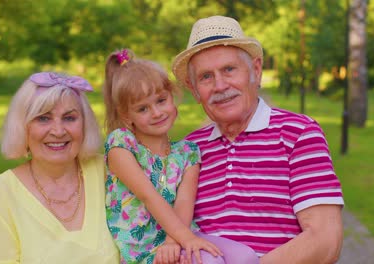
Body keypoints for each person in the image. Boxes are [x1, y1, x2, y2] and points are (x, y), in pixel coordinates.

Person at [171, 15, 345, 263]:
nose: (220, 85)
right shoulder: (188, 150)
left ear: (255, 69)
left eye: (229, 69)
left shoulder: (299, 133)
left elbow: (325, 239)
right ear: (195, 89)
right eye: (206, 77)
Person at [103, 49, 259, 264]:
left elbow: (185, 201)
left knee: (246, 257)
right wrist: (178, 240)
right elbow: (149, 196)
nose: (157, 113)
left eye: (161, 100)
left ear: (172, 97)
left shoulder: (187, 152)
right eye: (142, 109)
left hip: (179, 234)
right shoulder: (121, 144)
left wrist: (175, 240)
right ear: (126, 115)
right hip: (144, 248)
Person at [0, 72, 119, 263]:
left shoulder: (112, 171)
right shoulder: (0, 194)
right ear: (22, 126)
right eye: (43, 118)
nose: (58, 131)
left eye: (69, 118)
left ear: (85, 124)